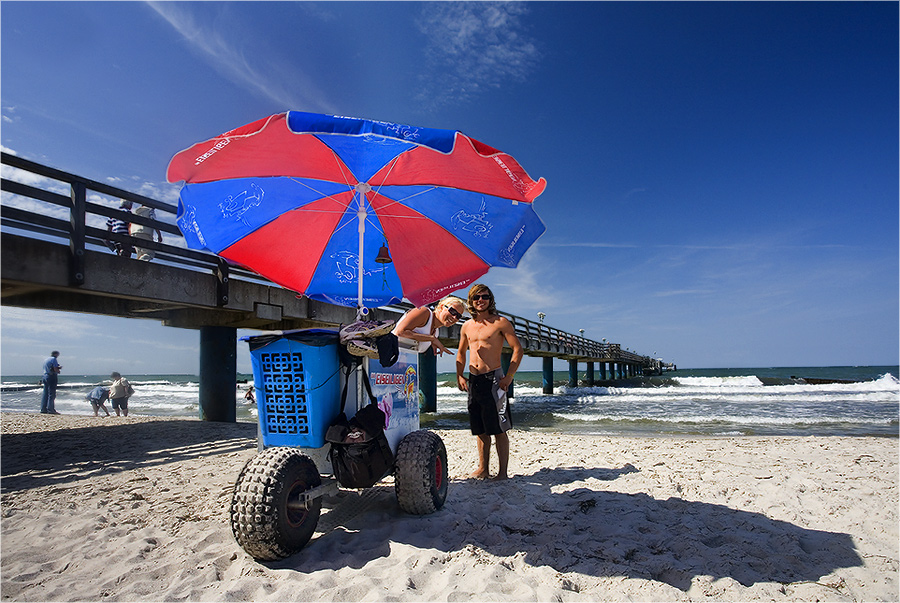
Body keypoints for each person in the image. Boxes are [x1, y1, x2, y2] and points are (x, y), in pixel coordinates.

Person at [456, 284, 523, 480]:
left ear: (490, 299)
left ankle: (502, 473)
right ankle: (483, 469)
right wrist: (460, 375)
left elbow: (517, 349)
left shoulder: (501, 323)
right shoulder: (466, 326)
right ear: (471, 300)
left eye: (484, 297)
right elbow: (461, 353)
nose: (480, 300)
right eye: (476, 297)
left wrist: (509, 376)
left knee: (499, 429)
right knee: (480, 429)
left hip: (494, 380)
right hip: (474, 381)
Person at [392, 295, 467, 356]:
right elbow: (399, 332)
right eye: (452, 311)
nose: (454, 317)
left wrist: (431, 341)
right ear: (441, 307)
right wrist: (431, 339)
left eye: (458, 316)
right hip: (388, 357)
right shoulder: (424, 312)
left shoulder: (436, 332)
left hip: (403, 365)